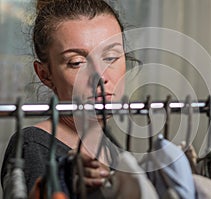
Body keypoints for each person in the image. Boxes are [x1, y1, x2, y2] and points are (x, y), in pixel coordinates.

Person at [1, 0, 128, 195]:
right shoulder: (33, 146)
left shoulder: (111, 145)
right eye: (77, 62)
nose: (101, 77)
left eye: (111, 57)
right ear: (45, 74)